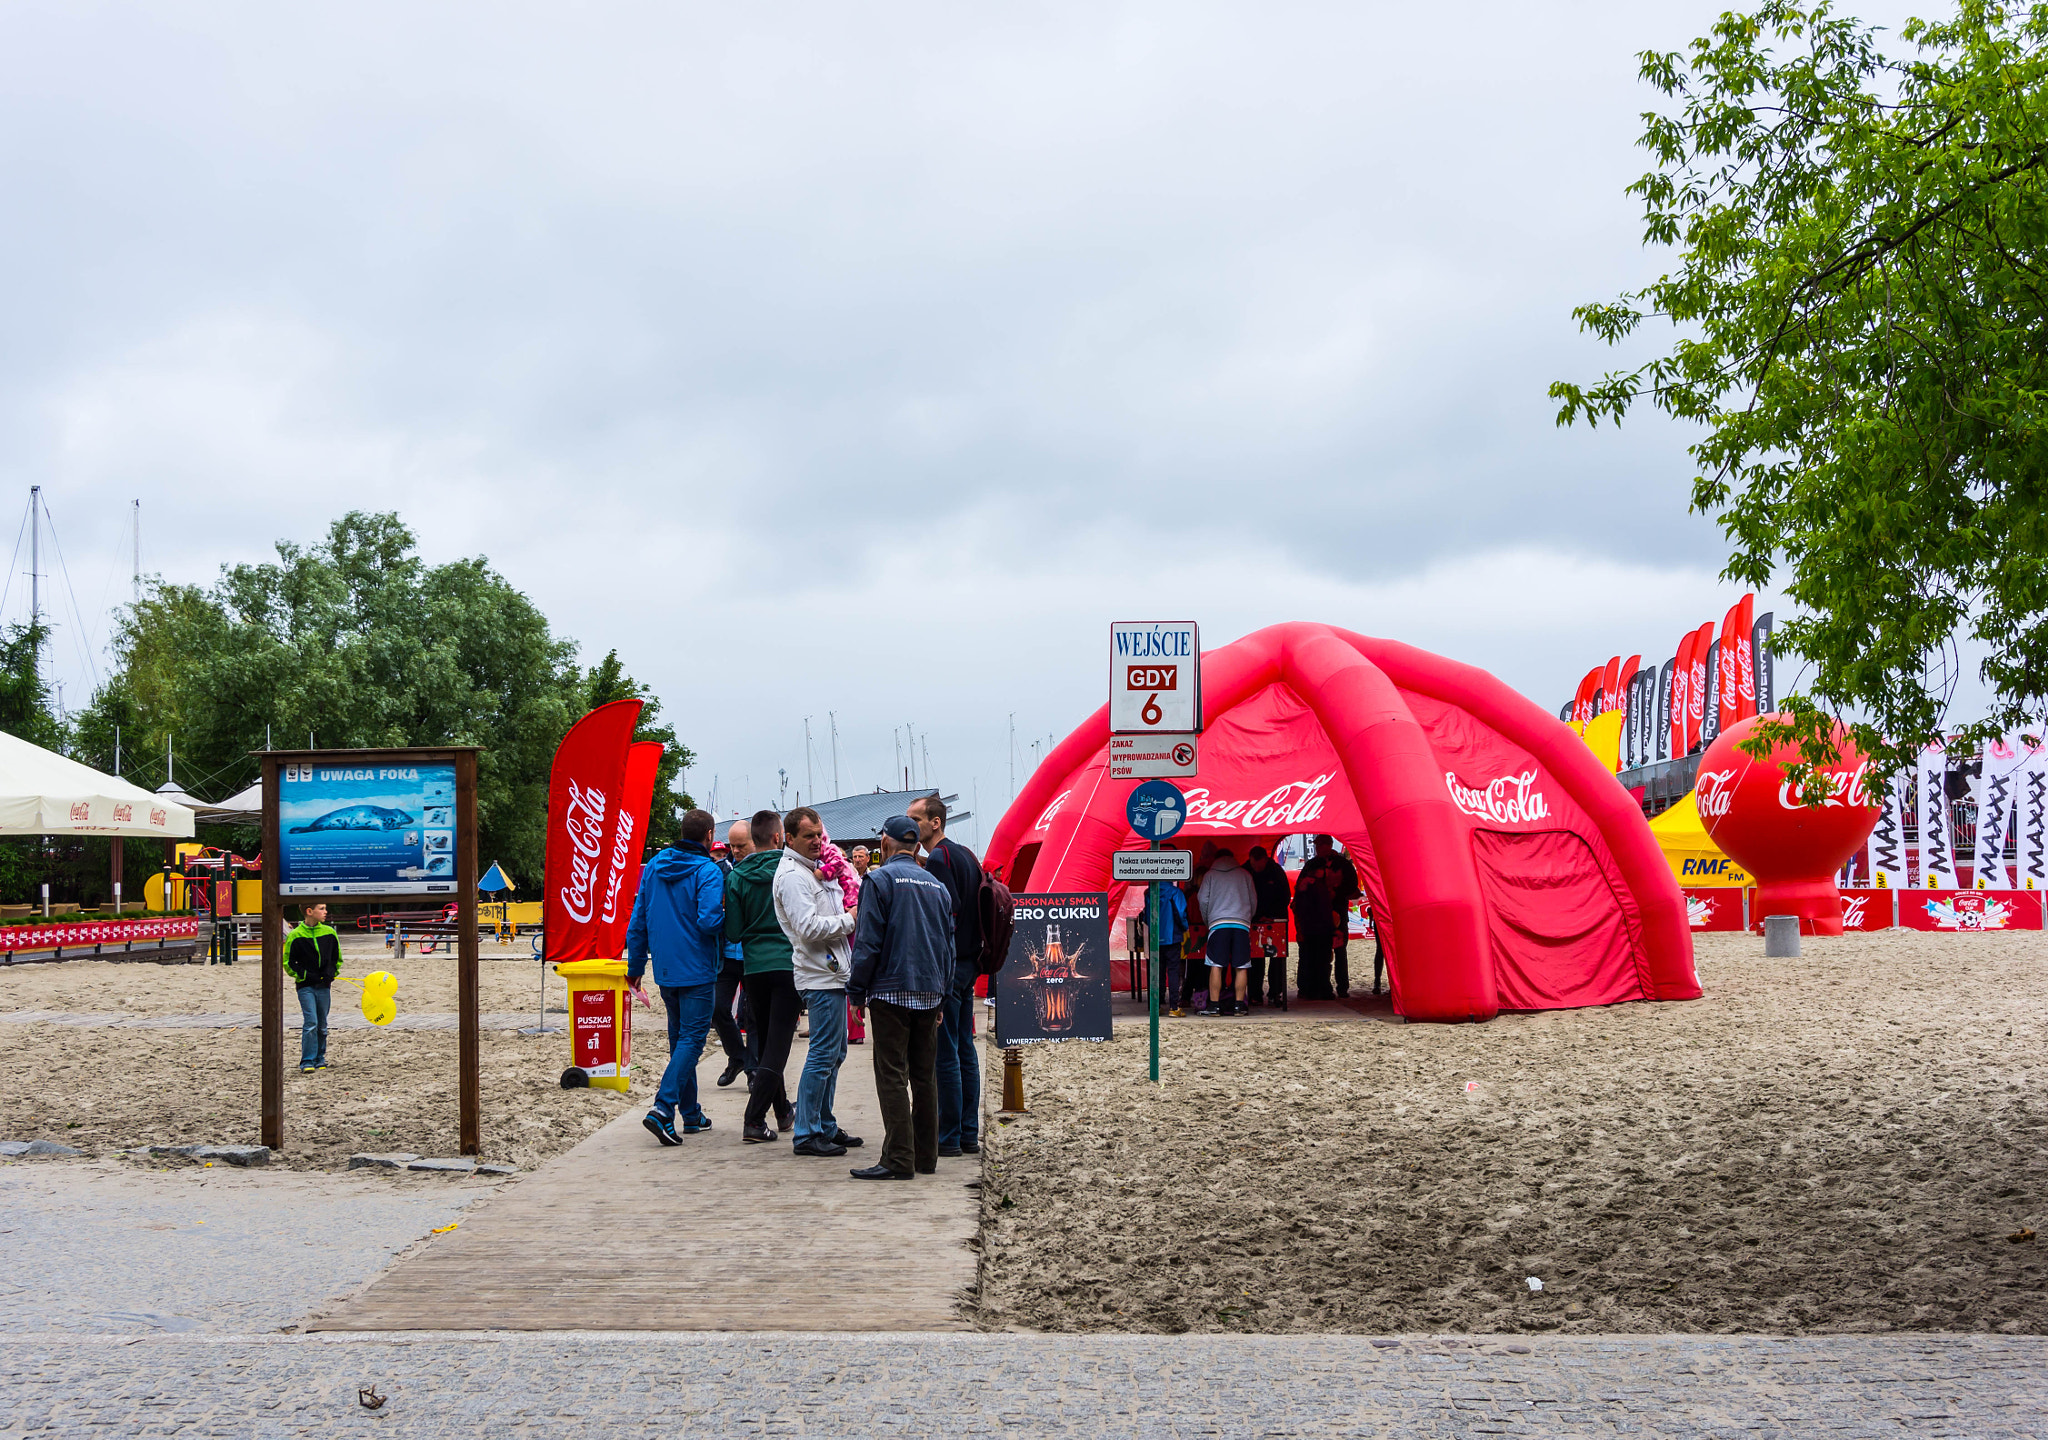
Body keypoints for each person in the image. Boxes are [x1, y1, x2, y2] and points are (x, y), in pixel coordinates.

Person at [846, 814, 955, 1180]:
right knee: (925, 1076)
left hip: (890, 988)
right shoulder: (937, 886)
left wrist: (856, 991)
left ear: (885, 844)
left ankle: (898, 1159)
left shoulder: (878, 880)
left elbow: (868, 942)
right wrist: (942, 994)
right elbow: (947, 946)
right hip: (929, 989)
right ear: (916, 845)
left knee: (891, 1073)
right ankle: (926, 1156)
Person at [626, 808, 726, 1145]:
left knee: (679, 1041)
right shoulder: (708, 871)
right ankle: (663, 1108)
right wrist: (729, 922)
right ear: (709, 835)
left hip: (665, 969)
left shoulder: (654, 866)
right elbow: (710, 921)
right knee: (692, 1040)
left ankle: (691, 1114)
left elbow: (637, 920)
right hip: (697, 967)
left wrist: (636, 968)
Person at [773, 806, 863, 1158]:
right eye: (808, 836)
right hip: (820, 974)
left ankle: (822, 1124)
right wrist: (850, 919)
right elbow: (808, 929)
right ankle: (808, 1131)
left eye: (819, 834)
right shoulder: (794, 877)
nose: (816, 841)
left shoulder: (811, 872)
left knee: (834, 1052)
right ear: (789, 838)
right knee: (823, 1054)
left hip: (830, 971)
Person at [909, 793, 983, 1159]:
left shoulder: (940, 858)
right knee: (965, 1048)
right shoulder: (966, 854)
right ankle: (968, 1132)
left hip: (951, 967)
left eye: (916, 819)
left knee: (946, 1052)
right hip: (970, 962)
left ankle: (949, 1136)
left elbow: (945, 915)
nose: (911, 825)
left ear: (935, 821)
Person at [725, 809, 800, 1144]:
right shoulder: (791, 869)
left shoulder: (737, 876)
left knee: (770, 1040)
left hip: (754, 968)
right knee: (778, 1046)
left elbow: (734, 932)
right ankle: (754, 1120)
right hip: (786, 964)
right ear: (777, 837)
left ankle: (783, 1112)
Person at [712, 819, 755, 1087]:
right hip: (727, 952)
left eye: (741, 846)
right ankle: (737, 1056)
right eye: (732, 846)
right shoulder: (721, 871)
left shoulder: (763, 871)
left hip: (753, 954)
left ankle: (753, 1069)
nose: (735, 851)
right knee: (717, 1008)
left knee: (752, 1015)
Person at [1293, 835, 1359, 1000]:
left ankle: (1340, 987)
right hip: (1316, 915)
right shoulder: (1313, 864)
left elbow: (1352, 888)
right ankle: (1308, 986)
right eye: (1316, 845)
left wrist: (1336, 892)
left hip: (1335, 913)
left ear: (1328, 845)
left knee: (1338, 949)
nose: (1316, 848)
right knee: (1311, 950)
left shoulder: (1342, 864)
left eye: (1320, 845)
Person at [1196, 847, 1257, 1016]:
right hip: (1241, 924)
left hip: (1218, 923)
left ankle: (1214, 1005)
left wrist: (1208, 920)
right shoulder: (1245, 875)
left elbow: (1202, 900)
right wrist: (1246, 918)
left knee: (1215, 965)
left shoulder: (1209, 875)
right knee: (1242, 965)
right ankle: (1239, 1005)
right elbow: (1253, 900)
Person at [284, 902, 343, 1072]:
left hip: (324, 986)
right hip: (306, 986)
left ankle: (320, 1057)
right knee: (311, 1022)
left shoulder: (330, 933)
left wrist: (331, 973)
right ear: (310, 911)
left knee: (322, 1024)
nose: (325, 912)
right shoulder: (295, 935)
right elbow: (289, 962)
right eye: (322, 908)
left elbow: (336, 958)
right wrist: (305, 976)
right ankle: (307, 1061)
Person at [1245, 845, 1292, 1008]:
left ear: (1265, 859)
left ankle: (1275, 992)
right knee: (1253, 959)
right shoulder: (1245, 870)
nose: (1256, 869)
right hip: (1253, 920)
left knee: (1277, 958)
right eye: (1254, 866)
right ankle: (1254, 994)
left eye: (1259, 865)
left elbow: (1285, 896)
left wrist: (1271, 916)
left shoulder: (1276, 871)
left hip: (1275, 920)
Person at [1155, 878, 1191, 1017]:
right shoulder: (1176, 892)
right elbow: (1181, 914)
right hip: (1173, 937)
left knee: (1157, 971)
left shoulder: (1150, 893)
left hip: (1155, 938)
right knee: (1173, 971)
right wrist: (1185, 927)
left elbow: (1146, 916)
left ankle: (1157, 1005)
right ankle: (1174, 1007)